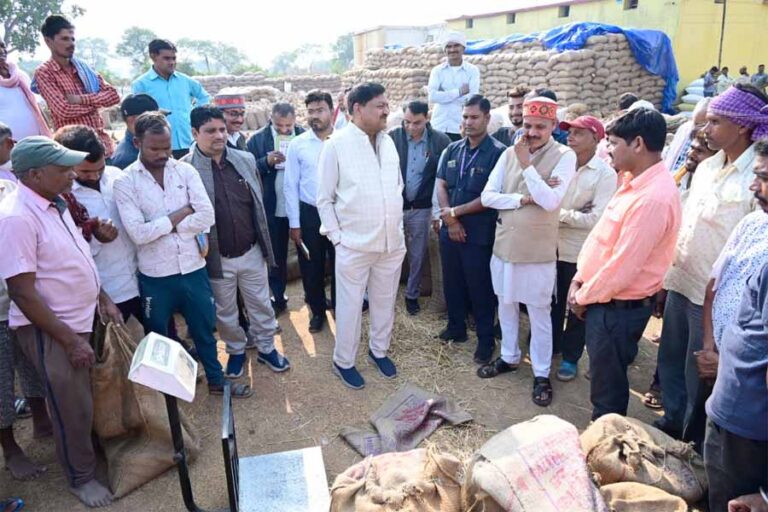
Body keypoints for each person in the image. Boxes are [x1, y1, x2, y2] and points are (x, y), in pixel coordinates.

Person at [0, 136, 124, 507]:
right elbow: (23, 292)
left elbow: (77, 256)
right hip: (53, 329)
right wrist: (69, 340)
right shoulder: (17, 217)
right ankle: (81, 478)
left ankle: (88, 456)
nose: (72, 174)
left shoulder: (56, 202)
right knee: (70, 406)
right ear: (35, 174)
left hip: (79, 319)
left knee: (84, 399)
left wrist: (102, 296)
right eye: (63, 169)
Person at [656, 84, 768, 444]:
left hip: (719, 300)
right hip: (682, 280)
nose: (706, 130)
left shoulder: (758, 178)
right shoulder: (706, 167)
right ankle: (672, 422)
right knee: (670, 361)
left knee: (700, 375)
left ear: (742, 126)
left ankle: (690, 442)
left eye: (715, 122)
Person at [113, 112, 251, 398]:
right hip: (155, 277)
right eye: (155, 149)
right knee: (161, 338)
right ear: (137, 142)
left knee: (204, 330)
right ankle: (170, 396)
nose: (163, 154)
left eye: (167, 147)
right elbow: (138, 234)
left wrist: (164, 226)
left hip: (192, 268)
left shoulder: (185, 171)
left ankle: (216, 380)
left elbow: (206, 216)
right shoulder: (125, 182)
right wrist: (180, 214)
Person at [568, 108, 682, 420]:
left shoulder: (652, 198)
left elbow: (623, 266)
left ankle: (608, 448)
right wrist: (580, 279)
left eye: (613, 143)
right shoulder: (634, 182)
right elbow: (603, 240)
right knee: (605, 381)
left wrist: (582, 296)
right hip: (604, 299)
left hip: (616, 307)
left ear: (638, 144)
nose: (607, 150)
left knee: (608, 393)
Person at [478, 97, 576, 407]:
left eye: (539, 127)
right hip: (504, 245)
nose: (531, 132)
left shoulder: (564, 155)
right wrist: (521, 199)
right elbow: (488, 196)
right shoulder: (508, 153)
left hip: (537, 251)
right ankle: (509, 357)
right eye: (527, 125)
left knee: (538, 313)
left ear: (553, 127)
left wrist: (526, 165)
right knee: (505, 304)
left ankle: (542, 373)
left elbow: (549, 201)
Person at [182, 106, 289, 379]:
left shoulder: (244, 159)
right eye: (210, 131)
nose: (219, 135)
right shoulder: (185, 169)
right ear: (195, 133)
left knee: (261, 304)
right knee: (225, 312)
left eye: (221, 129)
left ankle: (266, 348)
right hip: (216, 257)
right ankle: (237, 351)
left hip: (251, 250)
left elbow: (256, 203)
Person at [316, 82, 406, 389]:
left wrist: (398, 230)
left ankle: (378, 351)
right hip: (353, 245)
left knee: (384, 300)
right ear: (357, 109)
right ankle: (344, 362)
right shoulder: (336, 144)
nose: (386, 110)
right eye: (379, 105)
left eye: (386, 104)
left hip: (391, 243)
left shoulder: (389, 142)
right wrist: (338, 239)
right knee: (350, 306)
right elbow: (324, 199)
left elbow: (397, 187)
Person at [701, 140, 768, 511]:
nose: (753, 186)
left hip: (750, 429)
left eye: (762, 177)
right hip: (736, 413)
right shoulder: (757, 225)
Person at [435, 94, 506, 364]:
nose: (468, 122)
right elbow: (441, 183)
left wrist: (455, 214)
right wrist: (450, 220)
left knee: (481, 288)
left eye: (474, 117)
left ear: (487, 118)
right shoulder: (452, 149)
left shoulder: (499, 153)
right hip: (450, 230)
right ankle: (456, 329)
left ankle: (486, 340)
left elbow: (491, 196)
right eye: (465, 117)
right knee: (452, 281)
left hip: (478, 233)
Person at [52, 125, 142, 326]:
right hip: (107, 290)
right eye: (84, 171)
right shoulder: (62, 198)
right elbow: (67, 253)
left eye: (99, 169)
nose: (94, 176)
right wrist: (96, 240)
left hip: (141, 279)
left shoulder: (117, 176)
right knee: (115, 352)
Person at [550, 116, 617, 381]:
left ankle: (570, 357)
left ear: (595, 138)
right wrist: (573, 213)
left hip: (580, 251)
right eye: (570, 132)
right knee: (550, 301)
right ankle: (552, 345)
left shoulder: (605, 174)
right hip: (550, 245)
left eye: (579, 133)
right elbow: (546, 201)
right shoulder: (559, 164)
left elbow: (595, 219)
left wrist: (560, 215)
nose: (571, 137)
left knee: (577, 305)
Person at [0, 177, 51, 484]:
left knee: (33, 366)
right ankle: (10, 449)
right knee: (2, 383)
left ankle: (42, 421)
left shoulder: (6, 188)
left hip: (21, 299)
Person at [389, 100, 451, 315]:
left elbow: (443, 178)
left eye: (417, 123)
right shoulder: (392, 138)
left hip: (422, 208)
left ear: (427, 118)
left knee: (417, 254)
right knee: (390, 251)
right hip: (395, 207)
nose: (411, 128)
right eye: (407, 122)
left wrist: (437, 211)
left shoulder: (440, 141)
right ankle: (386, 293)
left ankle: (411, 295)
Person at [285, 90, 337, 332]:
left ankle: (340, 307)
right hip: (309, 214)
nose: (315, 116)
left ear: (331, 111)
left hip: (339, 212)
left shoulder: (344, 140)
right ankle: (317, 312)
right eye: (311, 112)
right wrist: (294, 224)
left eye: (320, 110)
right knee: (311, 266)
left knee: (342, 263)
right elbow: (290, 185)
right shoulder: (298, 145)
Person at [246, 103, 305, 316]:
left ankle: (312, 297)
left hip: (299, 208)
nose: (284, 130)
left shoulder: (304, 135)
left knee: (307, 254)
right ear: (271, 119)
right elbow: (248, 170)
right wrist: (265, 162)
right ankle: (279, 298)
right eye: (279, 125)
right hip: (272, 208)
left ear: (295, 120)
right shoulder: (257, 140)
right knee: (276, 257)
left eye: (289, 126)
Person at [33, 15, 119, 157]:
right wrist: (97, 104)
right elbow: (64, 110)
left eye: (73, 39)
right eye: (65, 39)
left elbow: (114, 96)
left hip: (102, 145)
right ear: (48, 41)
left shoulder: (83, 69)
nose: (71, 43)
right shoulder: (45, 72)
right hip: (73, 151)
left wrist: (80, 99)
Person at [131, 39, 210, 159]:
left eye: (174, 58)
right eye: (167, 58)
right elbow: (137, 115)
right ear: (153, 57)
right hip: (161, 147)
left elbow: (203, 96)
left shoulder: (185, 81)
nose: (172, 62)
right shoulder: (141, 84)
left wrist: (196, 114)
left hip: (189, 141)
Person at [0, 41, 50, 156]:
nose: (1, 50)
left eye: (2, 46)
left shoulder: (21, 76)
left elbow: (37, 108)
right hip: (6, 155)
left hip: (36, 147)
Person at [428, 31, 480, 141]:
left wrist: (443, 95)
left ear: (463, 48)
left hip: (460, 127)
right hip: (439, 125)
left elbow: (472, 99)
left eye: (456, 45)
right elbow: (432, 97)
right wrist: (459, 92)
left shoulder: (472, 71)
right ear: (444, 50)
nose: (452, 50)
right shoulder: (437, 71)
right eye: (448, 46)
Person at [111, 93, 166, 170]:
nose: (160, 123)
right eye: (155, 119)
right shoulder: (128, 159)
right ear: (136, 120)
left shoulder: (144, 146)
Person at [662, 97, 711, 176]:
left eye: (701, 125)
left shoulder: (712, 142)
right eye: (695, 123)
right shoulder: (685, 129)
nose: (695, 128)